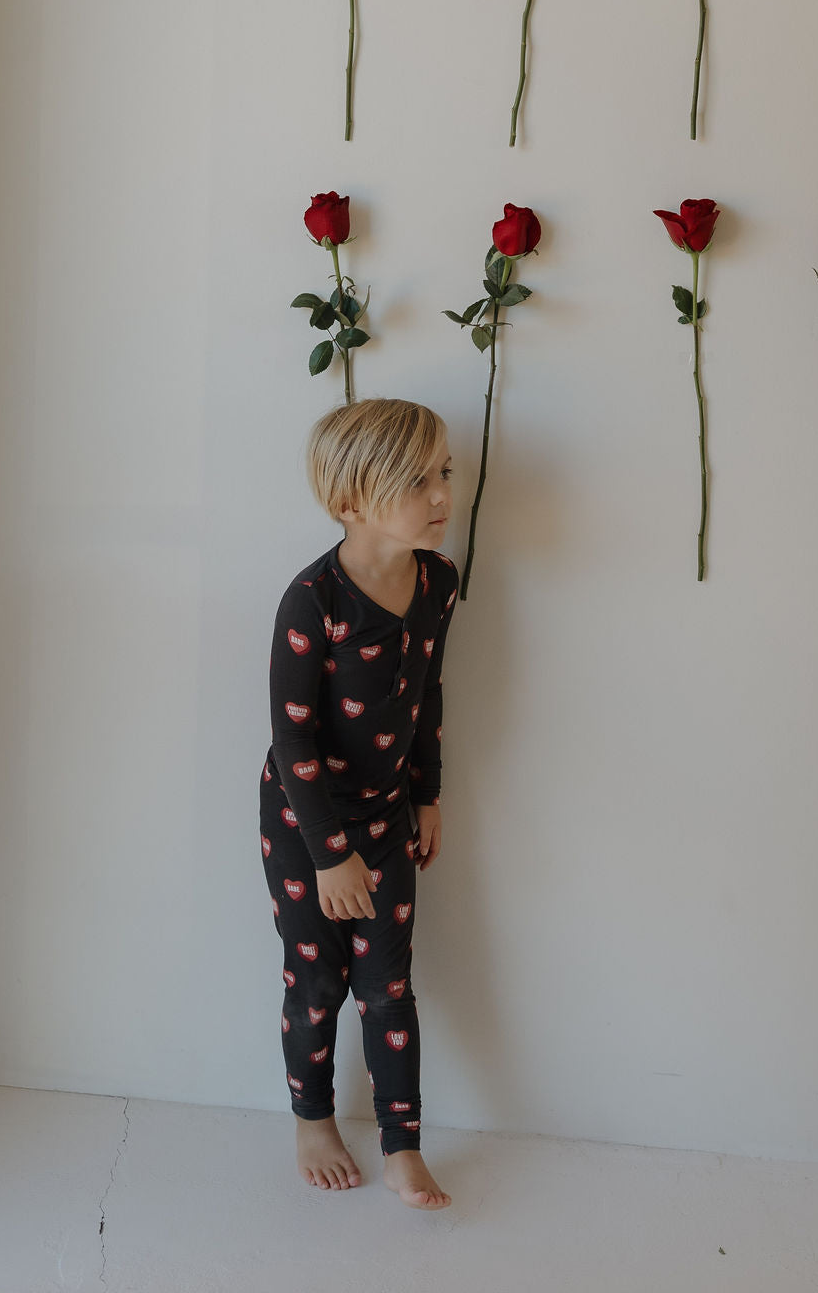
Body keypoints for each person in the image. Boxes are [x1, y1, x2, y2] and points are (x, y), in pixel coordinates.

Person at [260, 397, 458, 1209]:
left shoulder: (439, 582)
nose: (442, 493)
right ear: (351, 503)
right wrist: (331, 852)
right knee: (317, 984)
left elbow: (426, 698)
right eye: (418, 480)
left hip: (388, 821)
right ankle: (312, 1119)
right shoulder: (315, 601)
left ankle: (402, 1144)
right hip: (308, 826)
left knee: (390, 988)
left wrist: (429, 796)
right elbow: (292, 740)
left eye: (444, 472)